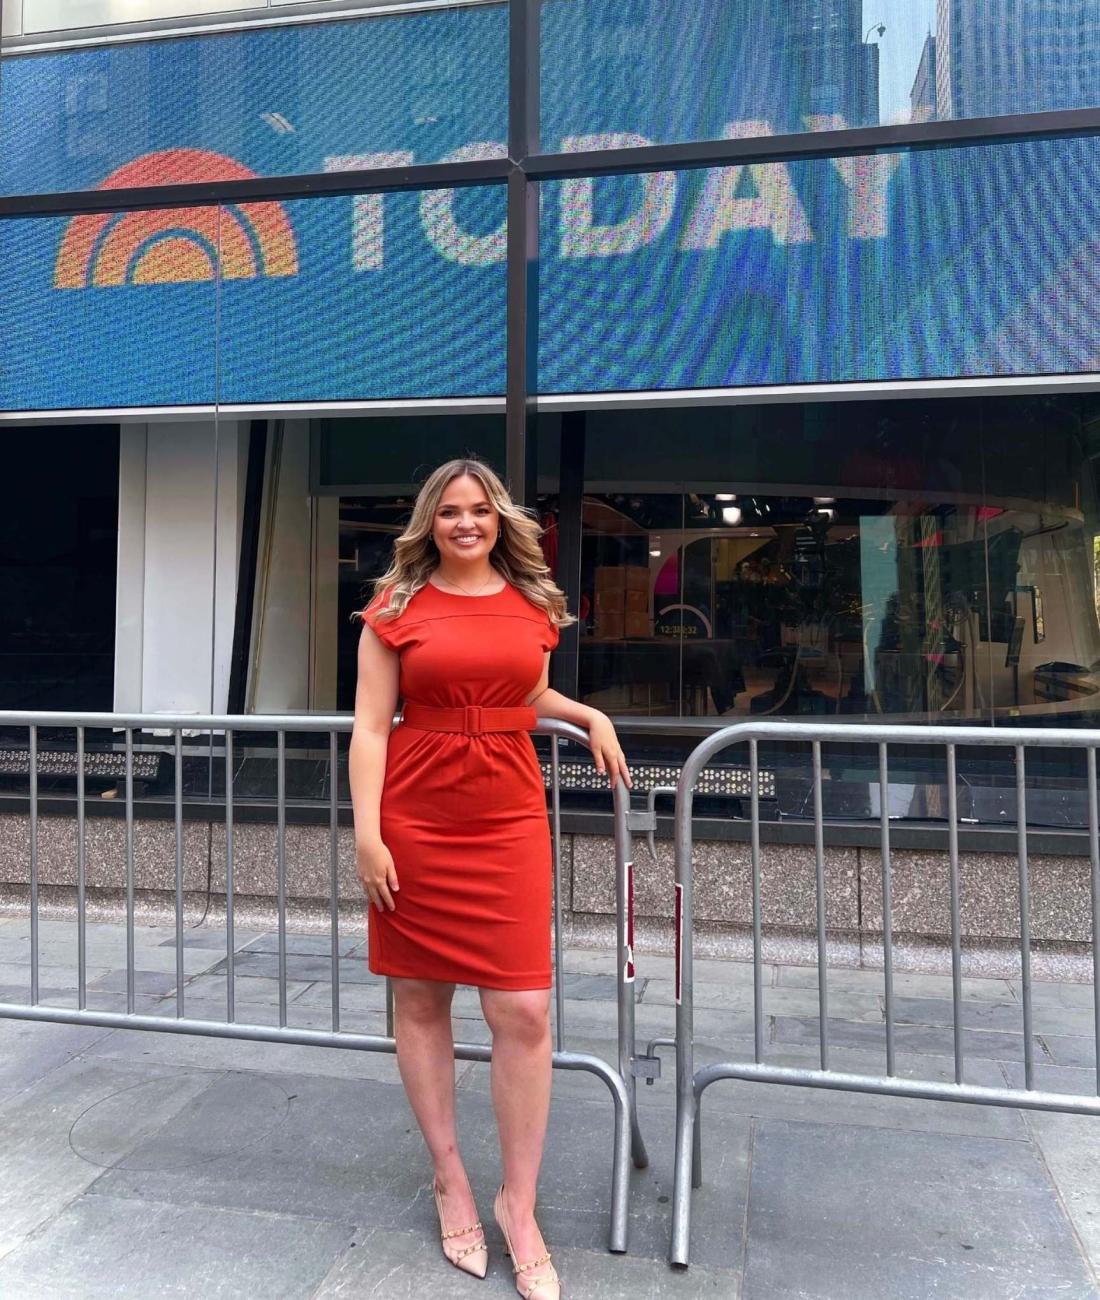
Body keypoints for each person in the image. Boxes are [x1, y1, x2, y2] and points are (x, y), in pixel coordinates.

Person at [349, 458, 630, 1300]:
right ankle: (451, 1180)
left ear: (499, 520)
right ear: (428, 523)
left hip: (507, 820)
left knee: (524, 1009)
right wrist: (367, 832)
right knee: (422, 999)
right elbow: (369, 729)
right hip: (416, 819)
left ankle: (520, 1202)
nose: (464, 523)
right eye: (449, 512)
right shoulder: (393, 611)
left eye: (478, 511)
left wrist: (586, 713)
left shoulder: (533, 605)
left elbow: (525, 688)